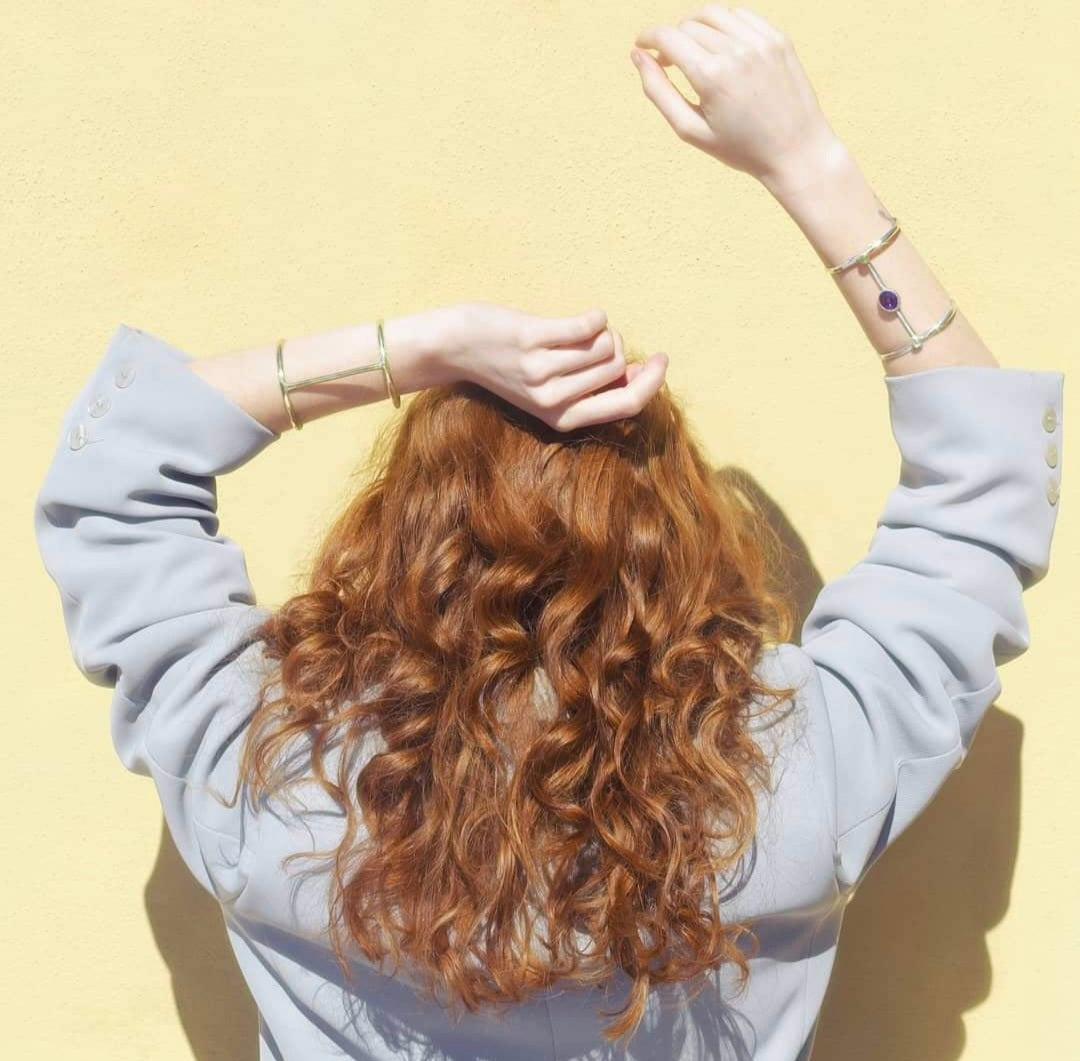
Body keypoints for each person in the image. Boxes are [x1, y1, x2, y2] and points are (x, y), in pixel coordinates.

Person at [33, 5, 1064, 1060]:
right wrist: (811, 166)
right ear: (680, 536)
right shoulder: (799, 764)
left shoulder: (259, 757)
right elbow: (985, 483)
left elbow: (115, 470)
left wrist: (422, 346)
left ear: (404, 527)